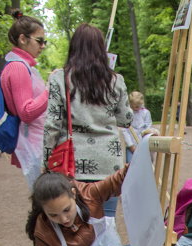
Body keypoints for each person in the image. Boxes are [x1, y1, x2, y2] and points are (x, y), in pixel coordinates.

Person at [43, 23, 132, 217]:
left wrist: (46, 160)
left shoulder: (60, 78)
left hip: (72, 162)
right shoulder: (115, 80)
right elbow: (125, 119)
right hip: (109, 163)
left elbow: (52, 124)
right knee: (106, 225)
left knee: (75, 224)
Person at [0, 9, 49, 188]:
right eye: (39, 41)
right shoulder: (18, 68)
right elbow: (26, 112)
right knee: (47, 198)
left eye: (45, 41)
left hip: (35, 142)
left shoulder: (20, 66)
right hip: (34, 145)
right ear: (22, 39)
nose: (43, 46)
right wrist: (51, 89)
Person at [123, 90, 156, 164]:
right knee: (131, 164)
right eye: (135, 105)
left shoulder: (145, 113)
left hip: (143, 144)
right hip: (131, 145)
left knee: (146, 163)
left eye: (139, 104)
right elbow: (125, 130)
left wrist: (144, 138)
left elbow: (148, 126)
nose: (137, 107)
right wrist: (131, 146)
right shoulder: (127, 113)